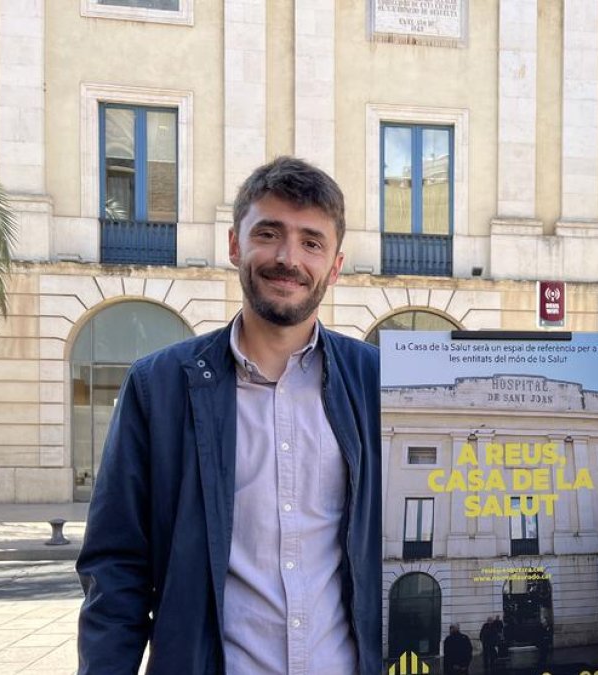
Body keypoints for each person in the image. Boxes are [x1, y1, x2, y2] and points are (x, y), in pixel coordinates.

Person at [76, 156, 380, 674]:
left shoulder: (378, 383)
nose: (289, 258)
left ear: (335, 264)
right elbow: (117, 567)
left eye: (311, 242)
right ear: (235, 243)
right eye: (269, 233)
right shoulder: (160, 386)